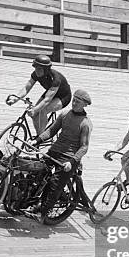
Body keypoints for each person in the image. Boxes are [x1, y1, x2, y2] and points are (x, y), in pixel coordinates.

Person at [30, 89, 92, 224]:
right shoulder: (64, 114)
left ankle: (43, 214)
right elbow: (51, 130)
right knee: (37, 172)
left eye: (78, 101)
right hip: (55, 151)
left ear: (85, 104)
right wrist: (37, 140)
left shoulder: (85, 123)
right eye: (74, 100)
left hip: (69, 158)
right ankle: (32, 201)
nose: (74, 103)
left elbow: (84, 147)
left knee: (55, 184)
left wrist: (72, 161)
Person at [6, 54, 71, 135]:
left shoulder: (55, 79)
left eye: (39, 69)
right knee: (35, 114)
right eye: (35, 68)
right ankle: (39, 134)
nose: (37, 71)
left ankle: (40, 139)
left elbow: (47, 100)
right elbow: (26, 88)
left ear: (46, 69)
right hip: (50, 92)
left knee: (42, 109)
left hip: (63, 96)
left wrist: (35, 109)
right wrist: (15, 99)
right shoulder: (36, 74)